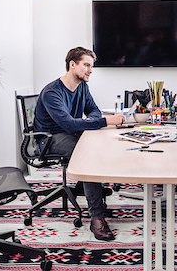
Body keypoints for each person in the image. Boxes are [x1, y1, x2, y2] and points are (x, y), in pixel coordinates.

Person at [34, 46, 125, 241]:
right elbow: (67, 123)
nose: (90, 70)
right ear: (72, 65)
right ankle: (97, 218)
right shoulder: (52, 92)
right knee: (89, 154)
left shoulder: (82, 86)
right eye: (86, 65)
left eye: (91, 66)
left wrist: (90, 122)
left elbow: (93, 110)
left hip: (70, 133)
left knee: (100, 144)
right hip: (49, 140)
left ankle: (91, 188)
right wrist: (104, 122)